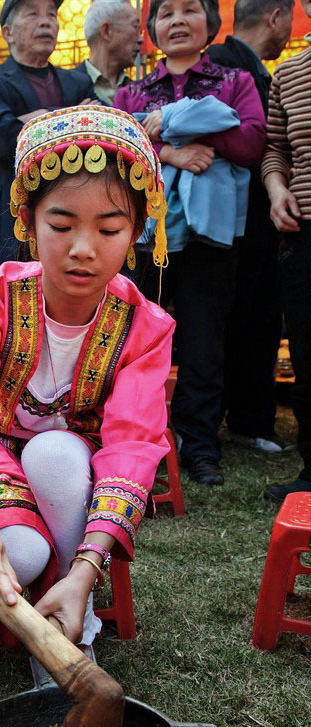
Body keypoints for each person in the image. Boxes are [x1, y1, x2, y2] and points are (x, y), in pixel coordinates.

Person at [0, 107, 173, 679]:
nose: (83, 248)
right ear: (28, 221)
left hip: (74, 474)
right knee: (19, 553)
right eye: (61, 224)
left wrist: (85, 570)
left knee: (57, 452)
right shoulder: (0, 295)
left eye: (108, 229)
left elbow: (131, 445)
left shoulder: (146, 327)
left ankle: (71, 612)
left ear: (137, 231)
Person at [114, 0, 266, 486]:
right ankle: (135, 443)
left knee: (203, 342)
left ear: (211, 24)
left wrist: (178, 129)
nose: (177, 20)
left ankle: (200, 449)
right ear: (152, 28)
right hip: (143, 235)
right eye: (166, 13)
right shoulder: (131, 91)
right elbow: (117, 149)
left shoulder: (234, 82)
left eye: (189, 10)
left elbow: (250, 144)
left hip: (209, 236)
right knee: (135, 342)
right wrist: (173, 152)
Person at [207, 0, 295, 456]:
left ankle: (248, 419)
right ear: (275, 17)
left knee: (257, 320)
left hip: (259, 220)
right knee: (232, 322)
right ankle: (233, 421)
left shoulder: (262, 72)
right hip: (228, 223)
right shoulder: (221, 68)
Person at [0, 0, 94, 271]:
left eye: (51, 14)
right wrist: (71, 116)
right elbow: (3, 140)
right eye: (33, 13)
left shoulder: (78, 81)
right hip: (8, 220)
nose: (46, 21)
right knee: (9, 308)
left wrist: (31, 119)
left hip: (73, 216)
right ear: (8, 32)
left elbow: (93, 132)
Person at [261, 0, 311, 499]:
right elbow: (276, 149)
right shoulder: (290, 73)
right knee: (307, 350)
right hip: (305, 231)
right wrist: (278, 190)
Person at [74, 0, 144, 104]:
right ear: (106, 31)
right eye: (135, 27)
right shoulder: (68, 88)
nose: (141, 39)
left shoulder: (140, 93)